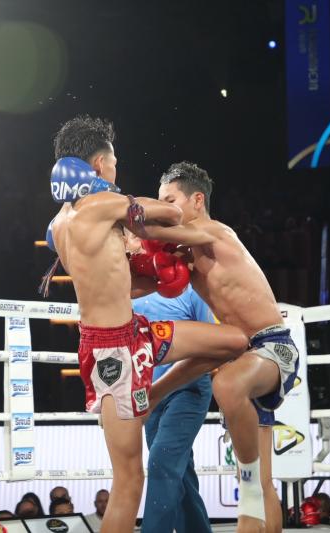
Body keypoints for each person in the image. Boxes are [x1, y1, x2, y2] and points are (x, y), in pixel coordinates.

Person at [47, 116, 249, 532]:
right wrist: (147, 223)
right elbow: (171, 212)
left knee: (234, 341)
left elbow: (116, 283)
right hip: (113, 354)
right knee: (129, 482)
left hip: (133, 335)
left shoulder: (59, 225)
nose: (115, 169)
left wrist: (157, 274)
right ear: (99, 164)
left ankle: (157, 392)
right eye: (114, 162)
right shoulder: (101, 204)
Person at [140, 161, 299, 533]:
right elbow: (139, 279)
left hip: (274, 348)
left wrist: (112, 211)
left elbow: (149, 226)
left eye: (170, 201)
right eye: (161, 201)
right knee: (262, 483)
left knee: (226, 385)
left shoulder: (216, 232)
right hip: (242, 357)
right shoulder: (187, 261)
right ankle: (252, 489)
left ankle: (248, 485)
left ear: (197, 200)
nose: (165, 209)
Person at [126, 230, 214, 533]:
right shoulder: (124, 289)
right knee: (179, 473)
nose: (127, 242)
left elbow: (213, 344)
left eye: (131, 236)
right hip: (148, 393)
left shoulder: (187, 286)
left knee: (162, 462)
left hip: (188, 388)